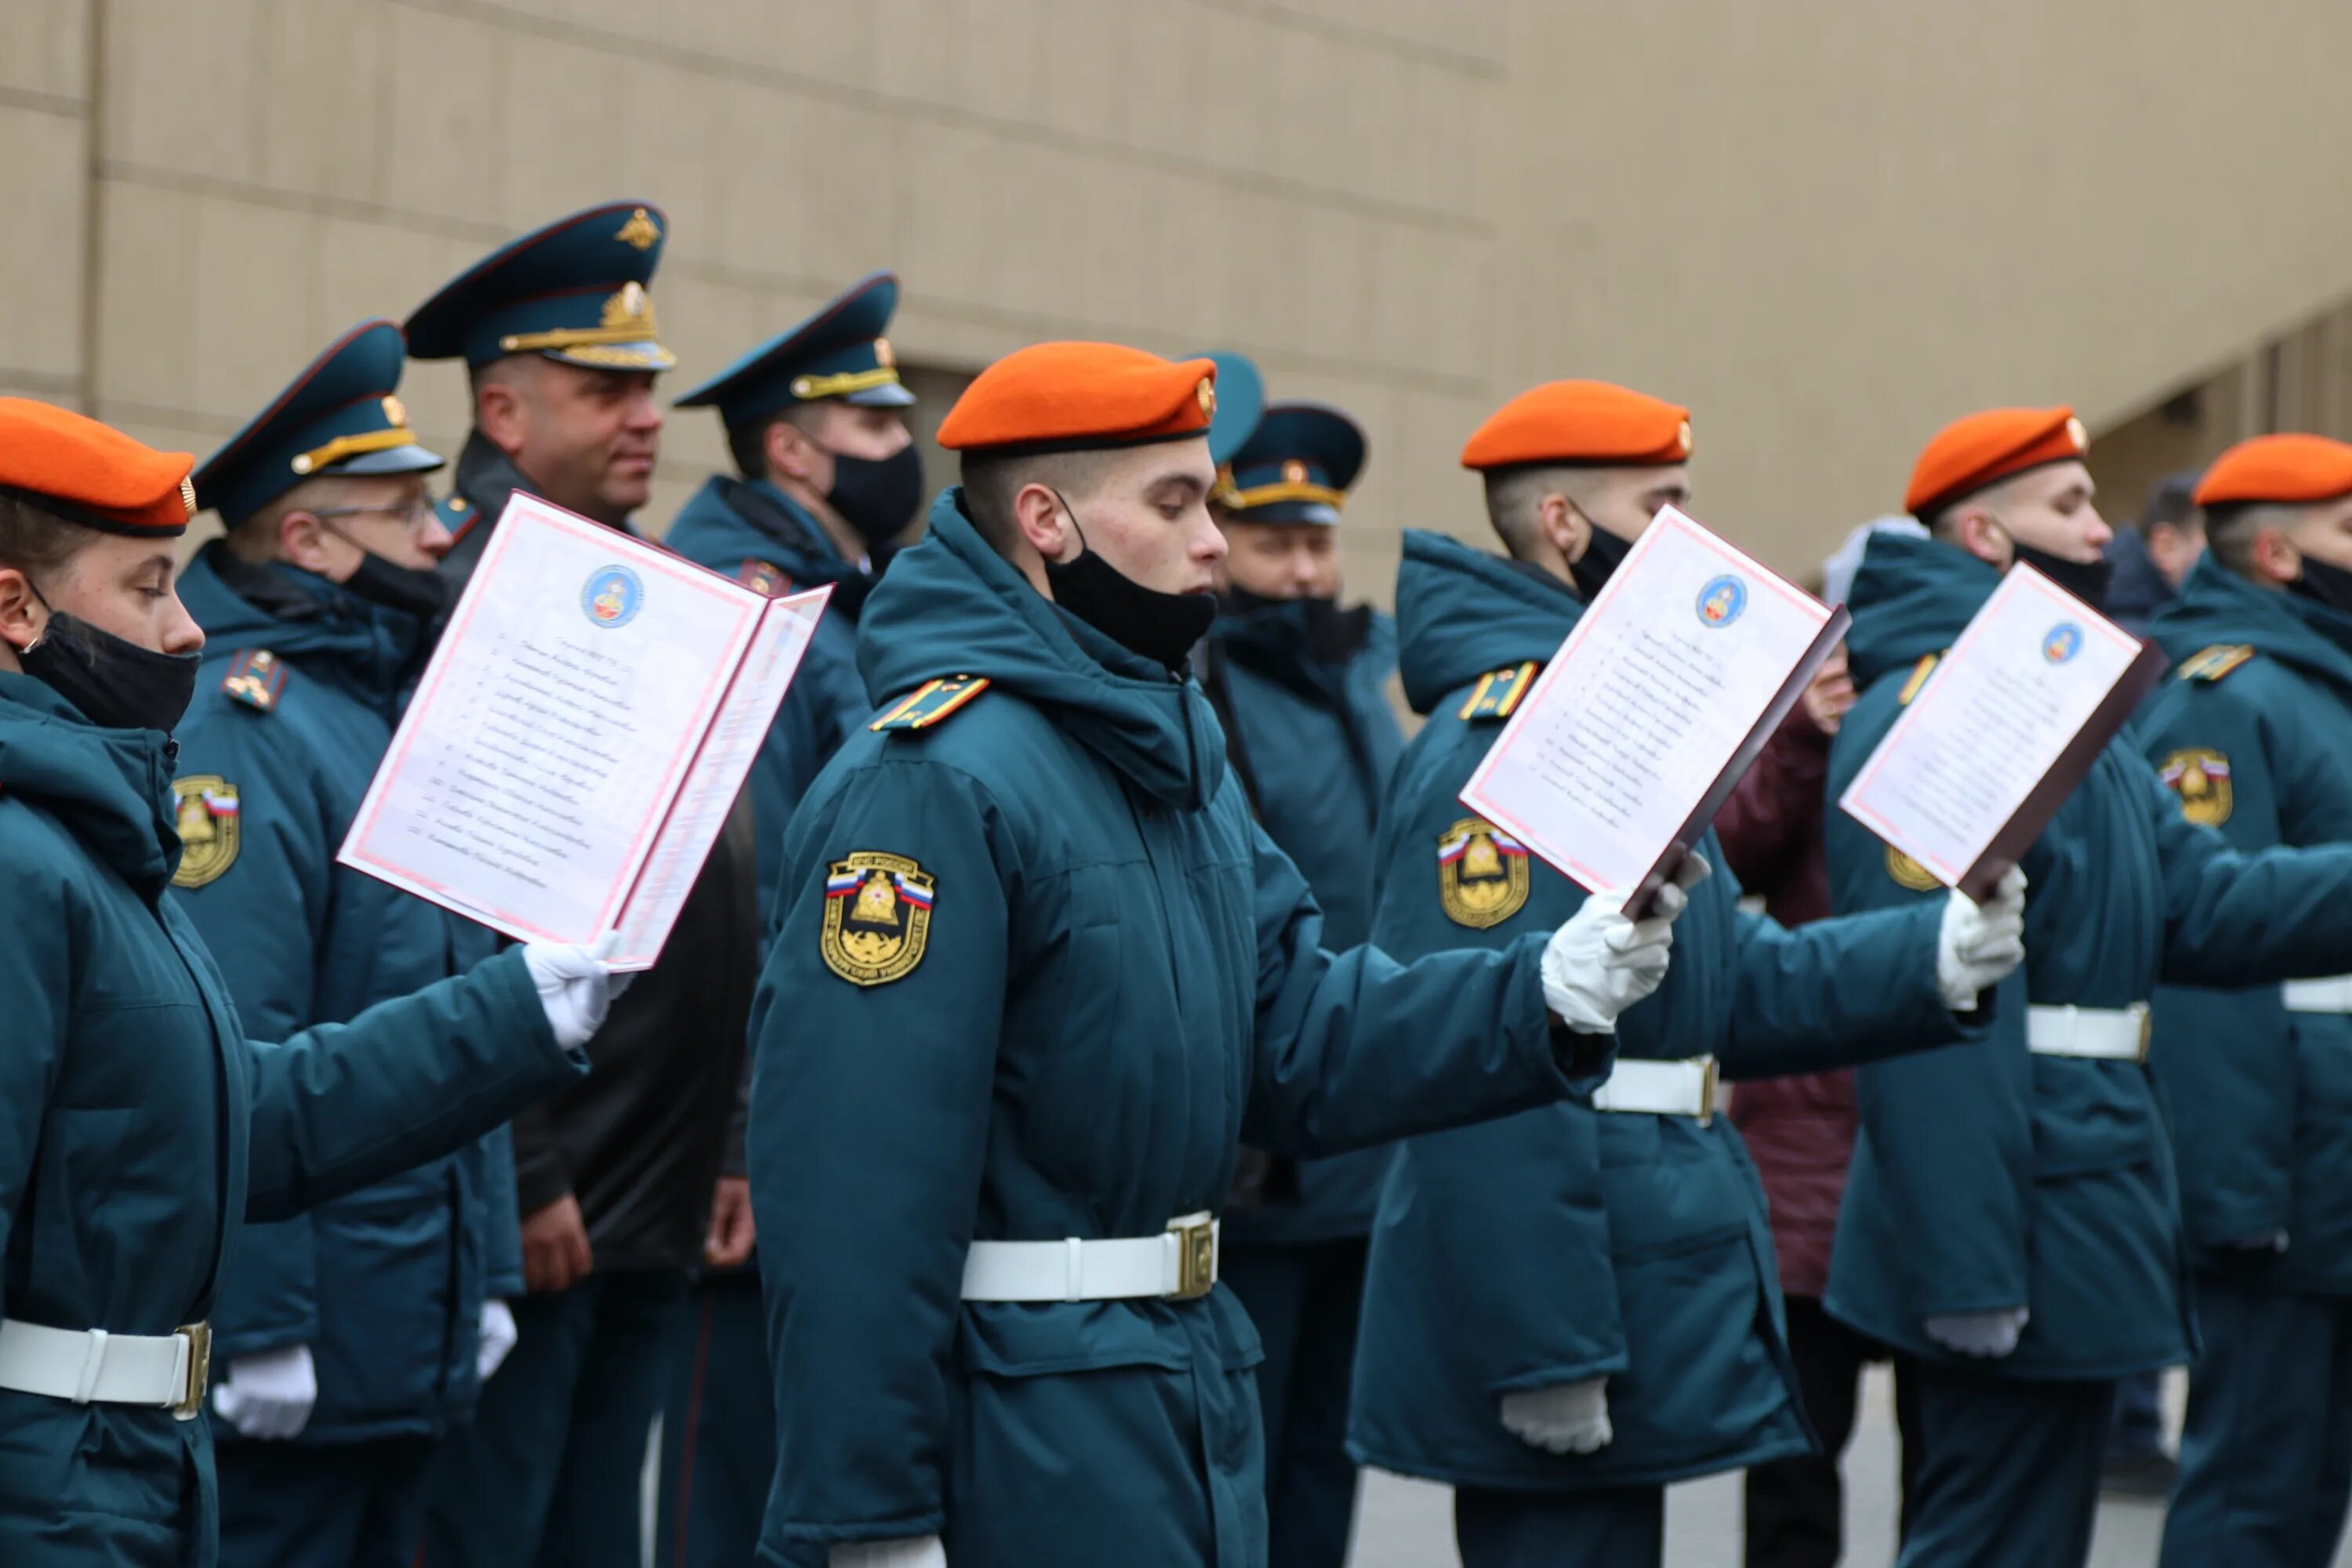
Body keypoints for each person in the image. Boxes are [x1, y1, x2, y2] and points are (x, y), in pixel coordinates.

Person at [746, 343, 1711, 1568]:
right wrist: (872, 1515)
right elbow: (854, 1184)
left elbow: (1297, 1032)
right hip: (1017, 1431)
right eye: (1174, 501)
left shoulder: (1168, 752)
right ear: (1046, 521)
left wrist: (1545, 993)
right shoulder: (930, 782)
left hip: (1181, 1388)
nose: (1212, 537)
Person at [1345, 380, 2024, 1568]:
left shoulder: (1614, 711)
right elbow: (1474, 1068)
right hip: (1570, 1300)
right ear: (1565, 524)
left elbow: (1726, 985)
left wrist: (1927, 955)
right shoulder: (1511, 734)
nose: (1691, 536)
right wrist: (1544, 1350)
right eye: (1662, 504)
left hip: (1633, 1271)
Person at [0, 398, 619, 1568]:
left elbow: (244, 1117)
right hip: (54, 1488)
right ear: (14, 607)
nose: (188, 630)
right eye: (145, 588)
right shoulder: (23, 860)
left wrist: (531, 1006)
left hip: (123, 1471)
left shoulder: (81, 837)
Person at [1820, 405, 2352, 1568]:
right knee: (1987, 1539)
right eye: (2065, 505)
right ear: (1980, 533)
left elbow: (2203, 904)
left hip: (2079, 1193)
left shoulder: (2056, 704)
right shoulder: (1938, 711)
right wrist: (1967, 1265)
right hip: (2010, 1209)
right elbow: (1926, 1006)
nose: (2101, 529)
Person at [404, 201, 762, 1568]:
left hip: (655, 1185)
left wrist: (725, 1140)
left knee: (598, 1536)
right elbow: (452, 909)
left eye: (649, 390)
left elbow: (708, 880)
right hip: (550, 1194)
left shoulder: (634, 584)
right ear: (502, 410)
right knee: (502, 1535)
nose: (644, 417)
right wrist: (523, 1172)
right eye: (603, 388)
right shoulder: (471, 594)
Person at [167, 322, 521, 1566]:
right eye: (402, 511)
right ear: (308, 541)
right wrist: (258, 1326)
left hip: (402, 1327)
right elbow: (237, 1050)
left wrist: (489, 1270)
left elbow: (456, 1009)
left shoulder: (375, 706)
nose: (440, 536)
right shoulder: (245, 726)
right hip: (307, 1349)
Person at [654, 270, 921, 1568]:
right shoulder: (747, 604)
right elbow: (746, 893)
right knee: (736, 1471)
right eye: (877, 430)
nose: (905, 451)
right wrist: (746, 1139)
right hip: (750, 1128)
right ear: (791, 448)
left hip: (814, 1103)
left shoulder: (836, 594)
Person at [2135, 434, 2352, 1566]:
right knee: (2252, 1495)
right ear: (2276, 551)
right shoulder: (2223, 695)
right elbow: (2206, 946)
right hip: (2284, 1177)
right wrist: (2234, 1195)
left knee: (2314, 1487)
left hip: (2335, 1164)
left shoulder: (2322, 680)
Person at [1195, 397, 1403, 1568]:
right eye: (1277, 544)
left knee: (1328, 1457)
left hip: (1364, 1157)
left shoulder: (1355, 679)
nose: (1307, 570)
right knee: (1246, 1466)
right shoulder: (1216, 690)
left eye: (1319, 542)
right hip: (1266, 1164)